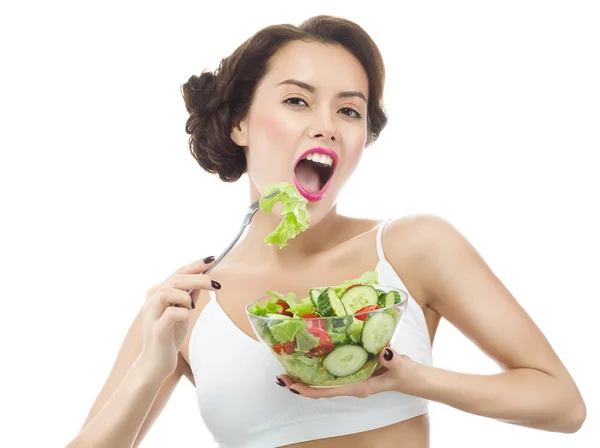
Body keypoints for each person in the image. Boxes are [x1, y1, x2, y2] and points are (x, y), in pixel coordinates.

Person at [67, 15, 586, 448]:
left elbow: (561, 404)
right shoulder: (185, 304)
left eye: (348, 109)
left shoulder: (413, 247)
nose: (328, 125)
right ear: (239, 124)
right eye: (297, 101)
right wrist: (150, 369)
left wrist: (409, 378)